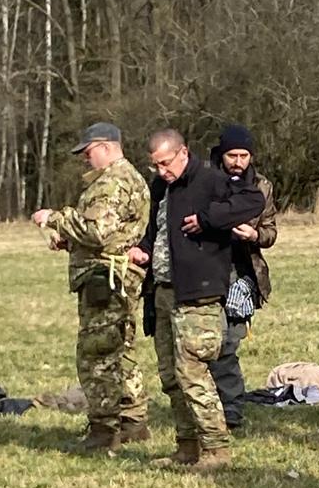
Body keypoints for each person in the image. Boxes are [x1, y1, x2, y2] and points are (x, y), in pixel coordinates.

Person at [129, 129, 265, 470]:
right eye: (156, 165)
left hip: (198, 292)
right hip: (163, 290)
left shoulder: (210, 179)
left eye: (166, 163)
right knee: (170, 376)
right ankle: (186, 446)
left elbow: (252, 200)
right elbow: (157, 229)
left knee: (193, 371)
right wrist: (143, 250)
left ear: (184, 153)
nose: (162, 171)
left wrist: (208, 220)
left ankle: (216, 449)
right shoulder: (161, 186)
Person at [32, 122, 150, 453]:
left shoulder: (111, 182)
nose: (86, 159)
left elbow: (97, 231)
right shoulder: (131, 178)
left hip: (105, 278)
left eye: (88, 152)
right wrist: (71, 242)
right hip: (119, 275)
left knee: (96, 354)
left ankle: (104, 429)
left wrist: (54, 219)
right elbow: (113, 235)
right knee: (122, 348)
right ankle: (132, 420)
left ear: (106, 147)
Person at [206, 124, 278, 432]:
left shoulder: (262, 186)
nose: (238, 162)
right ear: (221, 155)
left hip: (244, 273)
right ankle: (210, 404)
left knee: (229, 343)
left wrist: (255, 235)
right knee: (210, 343)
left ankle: (232, 408)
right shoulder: (203, 180)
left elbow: (271, 231)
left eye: (244, 156)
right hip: (207, 270)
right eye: (232, 155)